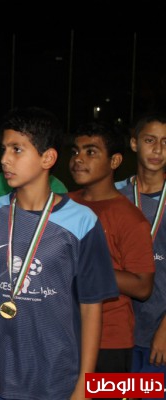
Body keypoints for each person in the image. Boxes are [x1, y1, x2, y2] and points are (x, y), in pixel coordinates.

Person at [0, 106, 119, 400]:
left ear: (48, 158)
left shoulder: (81, 222)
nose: (4, 159)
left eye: (17, 149)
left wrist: (86, 383)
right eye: (4, 148)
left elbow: (91, 308)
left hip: (54, 376)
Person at [68, 121, 155, 383]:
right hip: (64, 332)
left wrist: (89, 265)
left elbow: (142, 287)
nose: (78, 159)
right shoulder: (63, 205)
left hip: (110, 342)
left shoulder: (130, 218)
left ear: (114, 161)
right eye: (75, 151)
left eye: (91, 152)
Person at [114, 112, 166, 385]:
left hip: (158, 335)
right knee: (110, 392)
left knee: (152, 393)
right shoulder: (113, 196)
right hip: (115, 332)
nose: (158, 149)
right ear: (134, 143)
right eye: (150, 140)